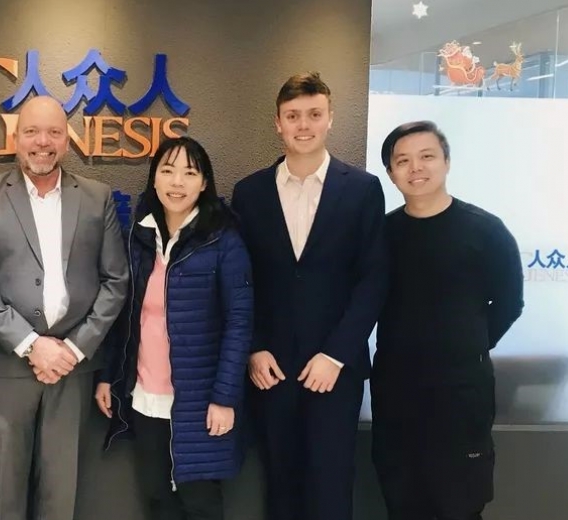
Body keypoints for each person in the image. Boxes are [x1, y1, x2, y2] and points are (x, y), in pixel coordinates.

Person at [0, 95, 129, 520]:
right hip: (7, 365)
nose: (42, 142)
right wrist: (32, 344)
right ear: (16, 138)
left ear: (67, 140)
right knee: (4, 492)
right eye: (32, 132)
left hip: (73, 368)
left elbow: (116, 281)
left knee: (60, 492)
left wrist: (74, 348)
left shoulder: (97, 197)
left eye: (53, 132)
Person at [231, 72, 388, 520]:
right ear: (278, 123)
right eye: (293, 115)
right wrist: (255, 347)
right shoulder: (250, 192)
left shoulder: (362, 189)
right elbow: (241, 279)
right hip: (271, 368)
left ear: (330, 119)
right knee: (280, 486)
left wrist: (336, 355)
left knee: (331, 488)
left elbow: (373, 279)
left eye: (314, 114)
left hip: (335, 371)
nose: (304, 125)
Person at [95, 136, 253, 520]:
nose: (177, 182)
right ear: (154, 179)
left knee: (200, 502)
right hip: (146, 395)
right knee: (157, 499)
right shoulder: (140, 236)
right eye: (167, 171)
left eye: (189, 173)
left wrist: (224, 398)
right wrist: (108, 377)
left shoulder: (223, 240)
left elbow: (239, 322)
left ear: (204, 183)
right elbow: (125, 318)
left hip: (199, 400)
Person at [372, 121, 523, 520]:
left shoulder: (485, 230)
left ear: (446, 162)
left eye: (427, 156)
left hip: (461, 390)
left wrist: (468, 344)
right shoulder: (381, 234)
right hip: (396, 388)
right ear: (390, 173)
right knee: (402, 498)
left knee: (460, 502)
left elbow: (510, 302)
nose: (416, 168)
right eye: (403, 161)